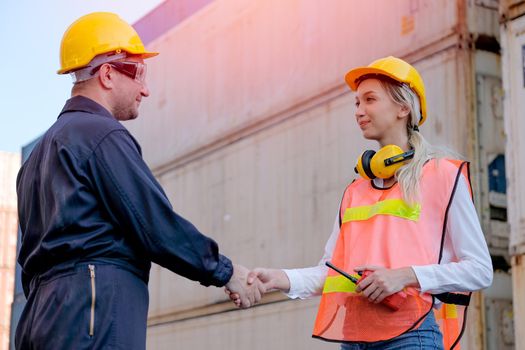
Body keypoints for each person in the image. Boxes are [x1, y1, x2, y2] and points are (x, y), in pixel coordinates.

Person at [15, 12, 263, 350]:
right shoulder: (100, 134)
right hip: (92, 311)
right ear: (107, 74)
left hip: (39, 318)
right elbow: (155, 225)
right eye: (139, 74)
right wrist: (225, 271)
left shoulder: (36, 158)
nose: (145, 90)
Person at [227, 56, 493, 349]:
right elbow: (332, 273)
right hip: (354, 339)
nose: (359, 111)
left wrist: (404, 276)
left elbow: (479, 270)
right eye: (356, 103)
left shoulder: (441, 175)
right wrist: (279, 279)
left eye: (369, 99)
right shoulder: (356, 190)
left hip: (410, 336)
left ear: (403, 108)